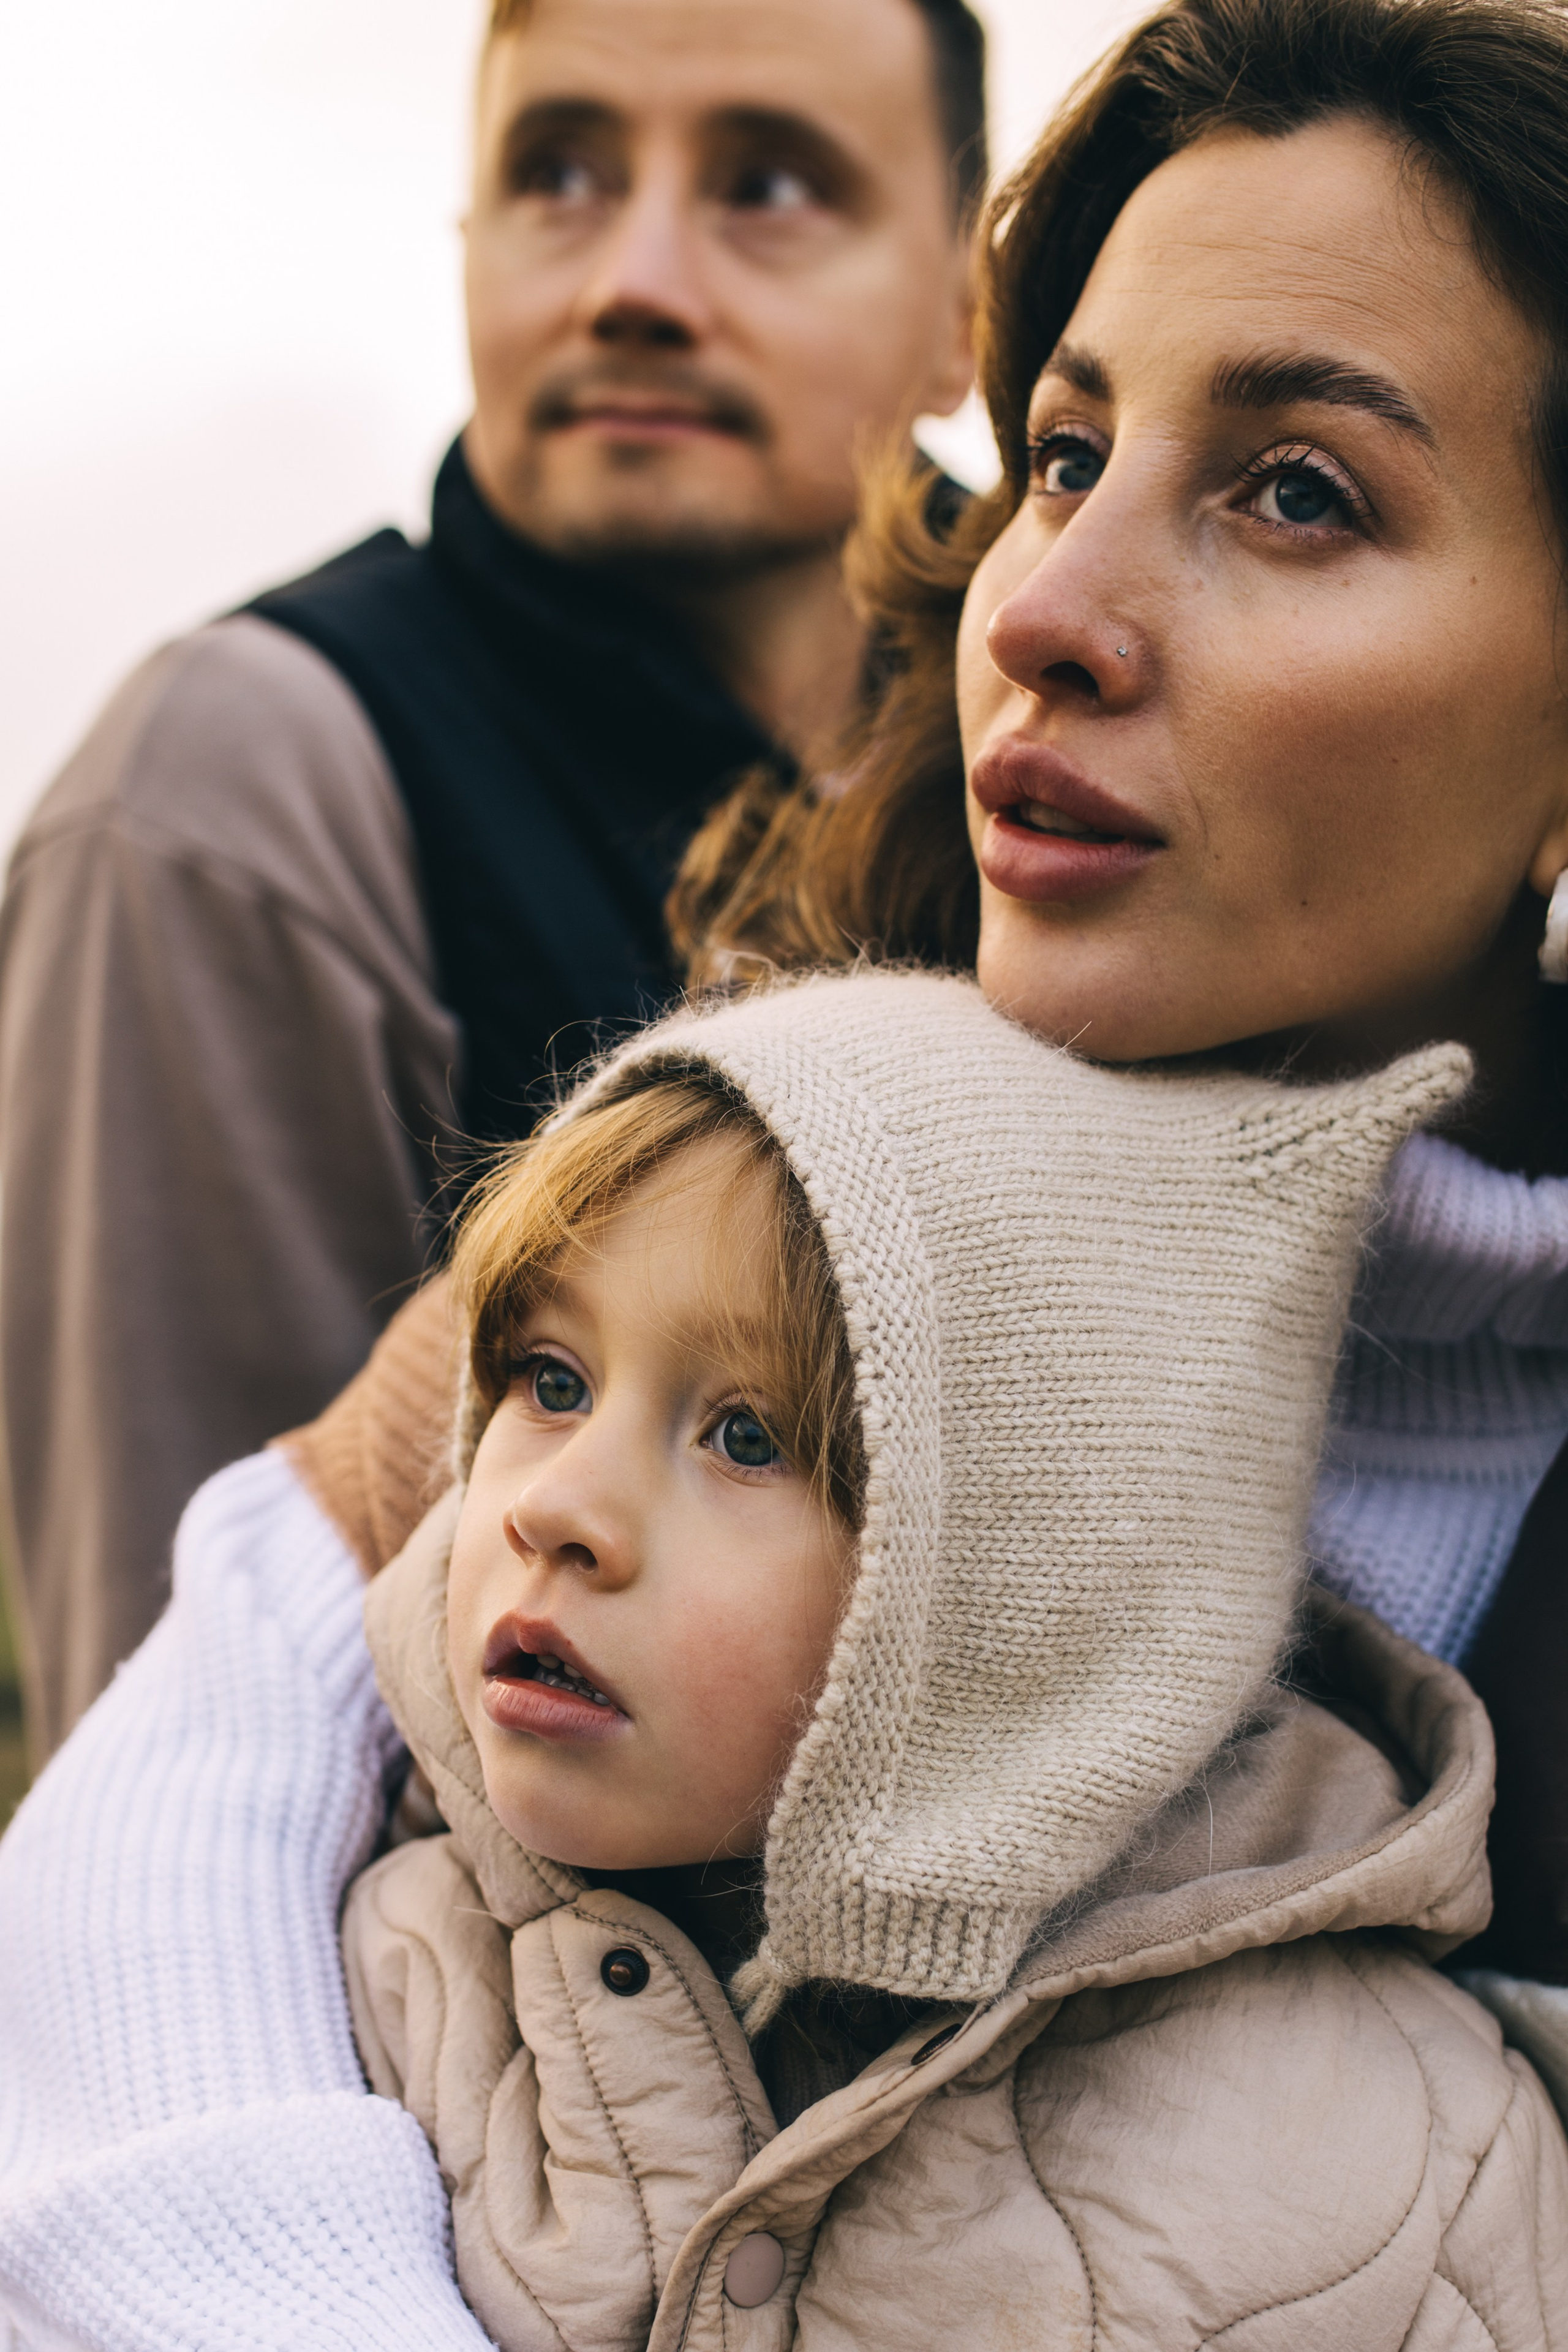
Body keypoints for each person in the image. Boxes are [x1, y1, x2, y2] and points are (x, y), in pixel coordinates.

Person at [13, 0, 1568, 2329]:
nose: (1043, 612)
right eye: (1064, 452)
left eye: (1296, 492)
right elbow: (207, 1734)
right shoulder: (792, 1180)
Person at [0, 0, 981, 1757]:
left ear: (971, 305)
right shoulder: (238, 789)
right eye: (558, 173)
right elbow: (179, 1750)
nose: (635, 277)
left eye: (765, 182)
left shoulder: (1080, 728)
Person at [336, 972, 1562, 2349]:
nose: (551, 1510)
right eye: (549, 1379)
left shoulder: (1388, 2179)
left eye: (749, 1437)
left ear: (1018, 1609)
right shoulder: (381, 1966)